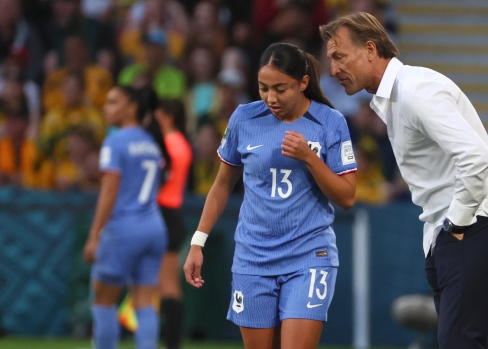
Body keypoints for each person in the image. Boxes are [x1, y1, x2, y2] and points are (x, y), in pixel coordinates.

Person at [320, 12, 488, 349]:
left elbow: (476, 157)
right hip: (459, 229)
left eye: (340, 56)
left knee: (459, 342)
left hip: (472, 224)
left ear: (370, 49)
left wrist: (455, 224)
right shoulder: (402, 95)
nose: (333, 70)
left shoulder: (415, 91)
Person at [183, 42, 357, 349]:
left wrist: (310, 157)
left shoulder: (330, 122)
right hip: (253, 257)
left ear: (303, 83)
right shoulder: (244, 118)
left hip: (309, 254)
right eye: (263, 88)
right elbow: (222, 185)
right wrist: (198, 241)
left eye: (281, 89)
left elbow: (346, 197)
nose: (271, 98)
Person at [82, 86, 167, 349]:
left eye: (113, 102)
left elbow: (109, 191)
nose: (106, 107)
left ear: (131, 107)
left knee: (103, 301)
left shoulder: (115, 141)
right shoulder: (150, 142)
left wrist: (94, 234)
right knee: (144, 301)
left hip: (124, 228)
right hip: (154, 226)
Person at [154, 99, 193, 349]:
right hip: (171, 214)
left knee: (167, 285)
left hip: (164, 214)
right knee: (166, 284)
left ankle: (171, 343)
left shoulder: (169, 144)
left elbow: (158, 179)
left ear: (167, 116)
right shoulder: (182, 143)